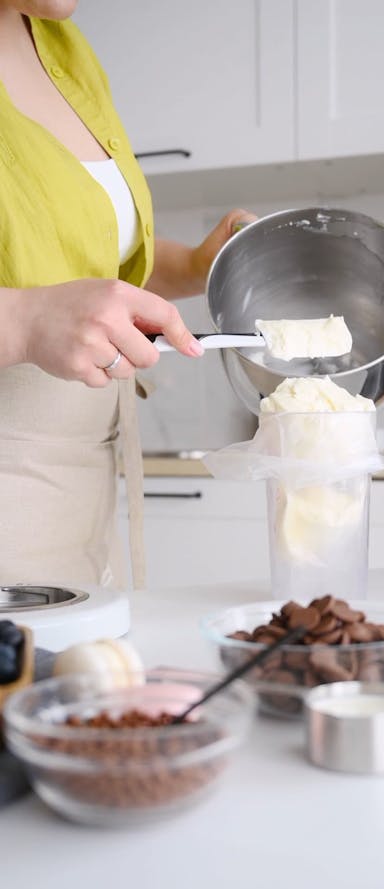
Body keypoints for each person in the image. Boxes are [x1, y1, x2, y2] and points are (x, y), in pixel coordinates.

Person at [0, 0, 256, 589]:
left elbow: (86, 266)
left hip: (81, 480)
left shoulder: (67, 48)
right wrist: (20, 321)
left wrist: (195, 266)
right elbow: (43, 306)